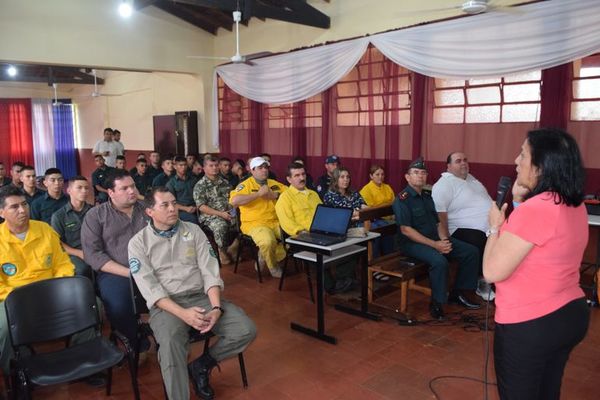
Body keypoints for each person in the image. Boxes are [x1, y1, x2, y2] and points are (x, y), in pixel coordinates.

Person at [483, 128, 590, 400]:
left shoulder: (537, 208)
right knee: (547, 391)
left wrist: (495, 227)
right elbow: (537, 243)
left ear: (541, 166)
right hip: (568, 314)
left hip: (531, 324)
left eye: (523, 154)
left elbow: (492, 271)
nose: (516, 161)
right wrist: (519, 202)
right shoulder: (573, 203)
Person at [128, 187, 256, 400]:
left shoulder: (193, 231)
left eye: (174, 203)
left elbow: (210, 271)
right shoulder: (138, 243)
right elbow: (151, 289)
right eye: (165, 205)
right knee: (170, 346)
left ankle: (201, 365)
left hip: (201, 297)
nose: (172, 209)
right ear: (150, 211)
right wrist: (183, 314)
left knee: (245, 329)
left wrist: (215, 308)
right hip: (167, 305)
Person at [392, 158, 480, 320]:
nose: (420, 176)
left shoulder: (427, 196)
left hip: (434, 239)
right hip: (412, 244)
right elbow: (406, 230)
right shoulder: (402, 200)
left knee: (471, 252)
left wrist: (444, 240)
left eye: (423, 173)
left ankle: (459, 293)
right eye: (416, 173)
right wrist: (436, 245)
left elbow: (437, 222)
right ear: (407, 177)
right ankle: (437, 303)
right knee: (440, 262)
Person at [0, 186, 74, 374]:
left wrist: (60, 288)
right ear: (2, 212)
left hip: (51, 291)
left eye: (24, 204)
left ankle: (82, 361)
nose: (22, 210)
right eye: (14, 207)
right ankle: (14, 375)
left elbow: (62, 263)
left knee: (93, 305)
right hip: (13, 298)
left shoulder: (44, 229)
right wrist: (21, 299)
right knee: (4, 328)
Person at [81, 169, 148, 352]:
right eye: (124, 188)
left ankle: (172, 338)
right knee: (119, 306)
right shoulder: (96, 216)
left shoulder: (147, 210)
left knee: (180, 290)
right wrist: (129, 273)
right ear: (111, 193)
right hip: (116, 272)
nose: (131, 191)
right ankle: (135, 343)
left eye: (133, 186)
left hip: (152, 268)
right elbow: (93, 254)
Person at [276, 162, 355, 293]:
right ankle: (331, 287)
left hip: (321, 232)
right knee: (318, 252)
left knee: (350, 246)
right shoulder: (284, 199)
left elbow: (325, 214)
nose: (302, 178)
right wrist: (306, 234)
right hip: (300, 237)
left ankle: (343, 279)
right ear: (289, 179)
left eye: (303, 174)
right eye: (297, 175)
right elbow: (288, 224)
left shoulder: (313, 194)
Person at [432, 151, 495, 301]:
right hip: (457, 230)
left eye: (465, 160)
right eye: (458, 161)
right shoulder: (444, 184)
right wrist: (446, 238)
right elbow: (440, 213)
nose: (463, 163)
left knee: (504, 236)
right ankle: (482, 281)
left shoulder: (472, 179)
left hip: (486, 226)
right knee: (480, 239)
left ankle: (494, 277)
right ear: (448, 166)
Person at [229, 156, 287, 278]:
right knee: (268, 241)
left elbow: (289, 195)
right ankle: (273, 266)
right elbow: (234, 201)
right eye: (260, 168)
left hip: (275, 221)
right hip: (254, 223)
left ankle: (263, 255)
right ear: (252, 170)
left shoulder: (274, 184)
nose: (264, 170)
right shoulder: (245, 185)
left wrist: (275, 195)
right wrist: (258, 194)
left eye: (266, 167)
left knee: (292, 235)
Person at [193, 155, 238, 265]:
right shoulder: (200, 185)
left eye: (216, 165)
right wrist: (221, 214)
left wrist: (232, 213)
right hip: (210, 216)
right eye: (211, 166)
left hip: (227, 212)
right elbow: (201, 206)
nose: (214, 168)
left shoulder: (226, 183)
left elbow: (232, 201)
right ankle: (221, 250)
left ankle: (233, 247)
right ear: (204, 168)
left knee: (245, 222)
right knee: (221, 226)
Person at [51, 176, 93, 279]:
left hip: (94, 250)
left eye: (86, 188)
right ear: (69, 190)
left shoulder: (94, 211)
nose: (84, 191)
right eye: (79, 187)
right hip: (73, 253)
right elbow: (58, 243)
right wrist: (79, 253)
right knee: (81, 270)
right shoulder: (59, 216)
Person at [359, 164, 396, 268]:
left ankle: (390, 260)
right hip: (375, 219)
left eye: (382, 174)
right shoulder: (366, 190)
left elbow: (394, 203)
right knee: (381, 227)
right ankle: (375, 264)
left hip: (390, 217)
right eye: (377, 174)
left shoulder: (387, 187)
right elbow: (370, 210)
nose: (380, 177)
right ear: (371, 176)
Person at [166, 156, 198, 224]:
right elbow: (170, 203)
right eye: (180, 165)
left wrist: (196, 207)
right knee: (193, 220)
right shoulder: (171, 183)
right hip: (181, 210)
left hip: (196, 207)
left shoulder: (193, 180)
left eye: (185, 165)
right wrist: (186, 208)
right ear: (175, 167)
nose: (183, 167)